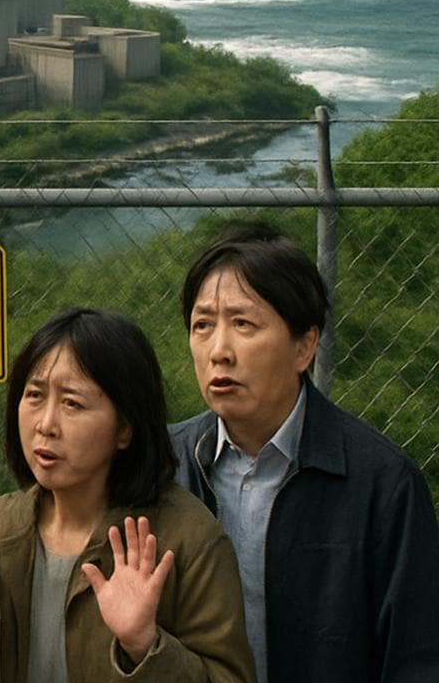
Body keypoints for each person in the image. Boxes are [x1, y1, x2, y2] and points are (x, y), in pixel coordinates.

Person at [171, 220, 439, 683]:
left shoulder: (382, 483)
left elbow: (415, 658)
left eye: (243, 324)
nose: (219, 351)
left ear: (305, 346)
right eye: (202, 325)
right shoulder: (163, 464)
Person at [0, 307, 253, 683]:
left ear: (125, 429)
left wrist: (144, 644)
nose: (46, 424)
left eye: (72, 403)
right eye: (34, 395)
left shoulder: (186, 539)